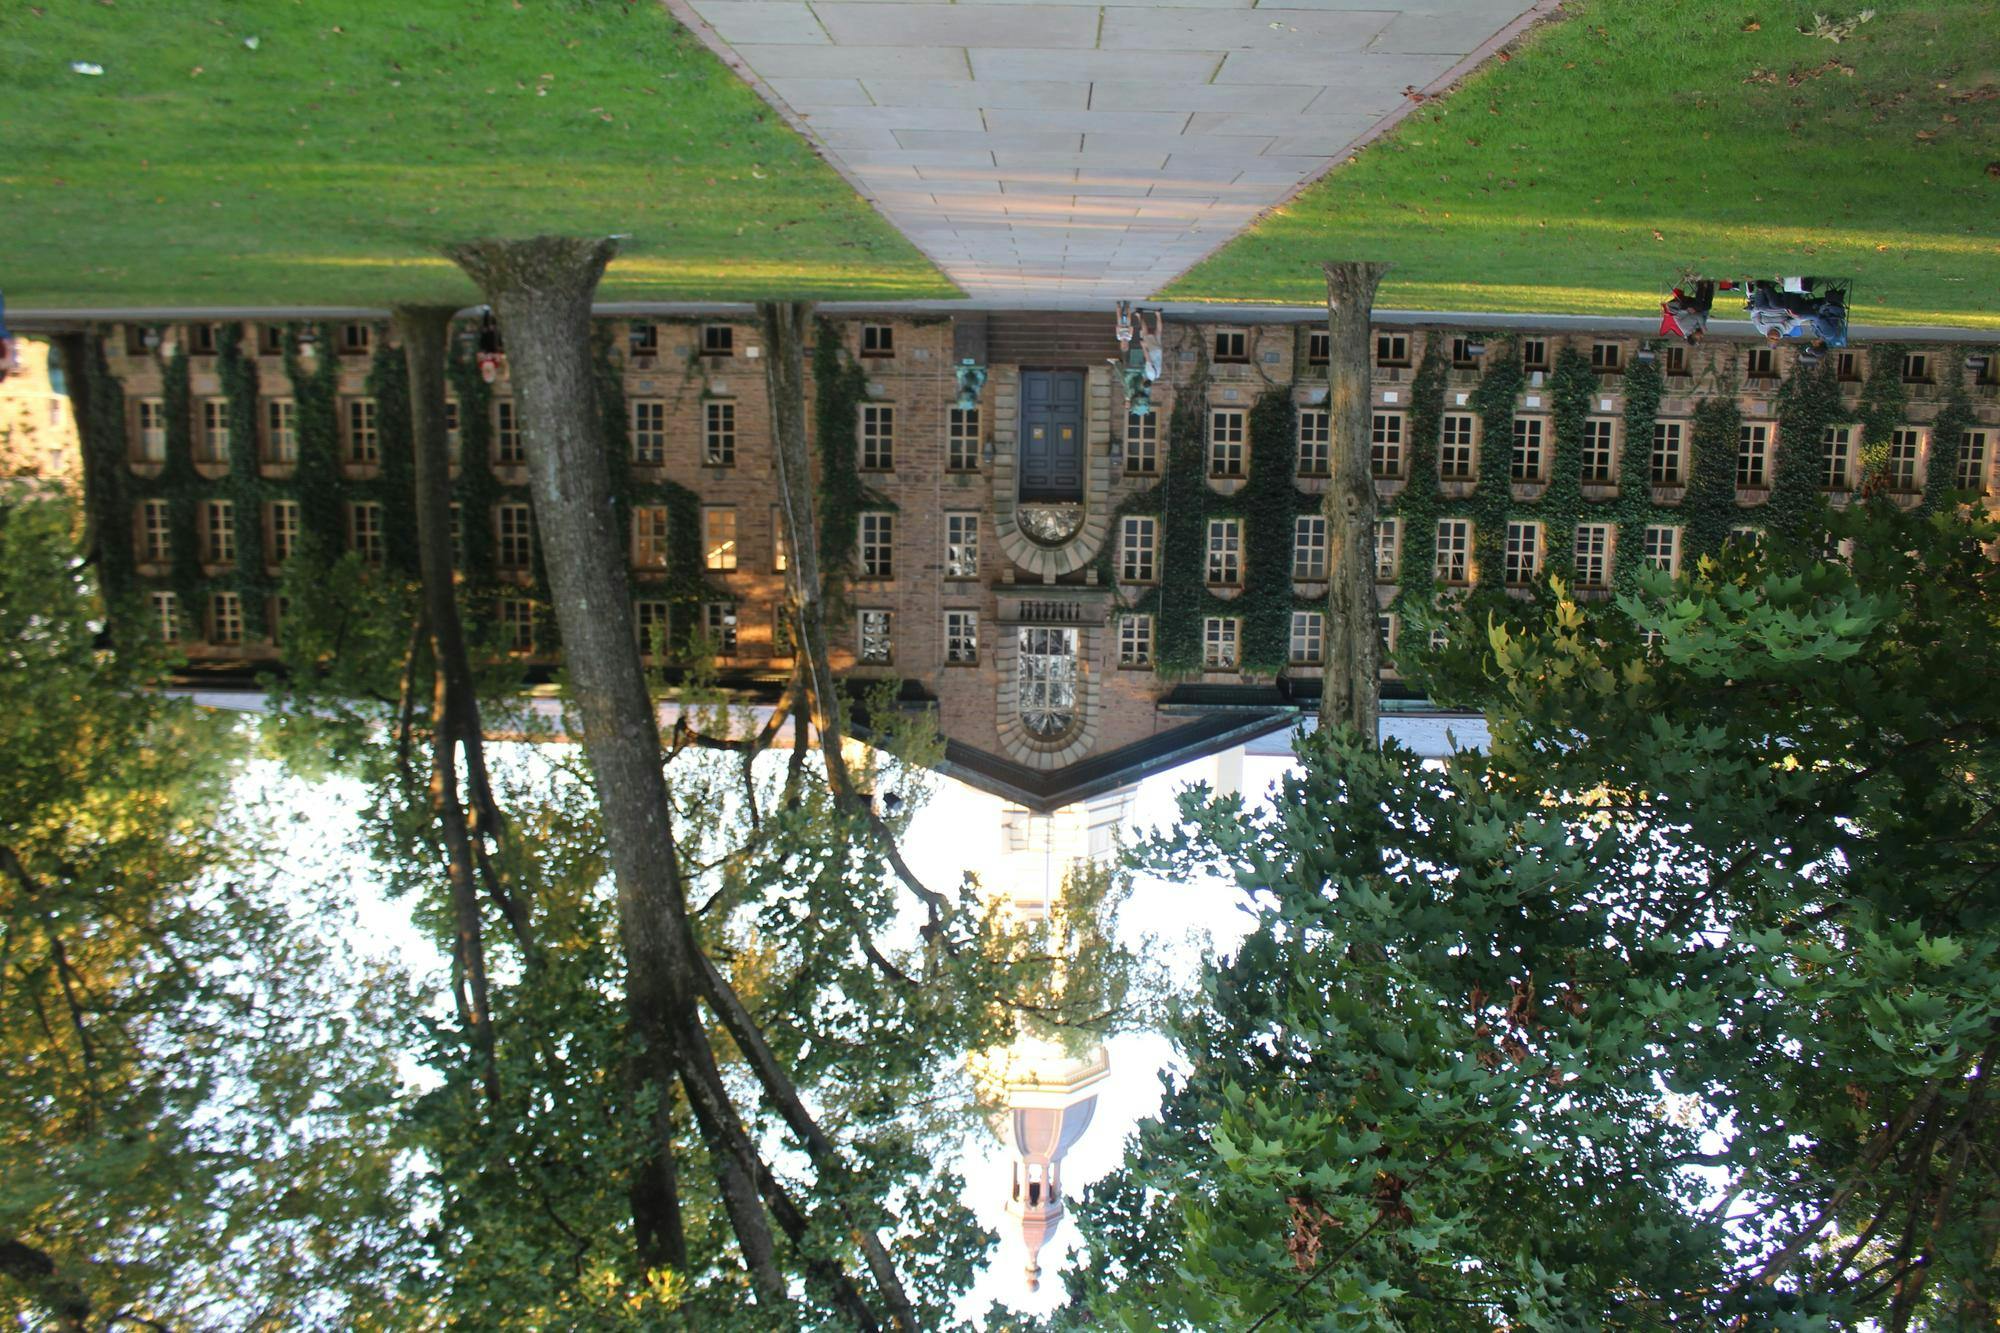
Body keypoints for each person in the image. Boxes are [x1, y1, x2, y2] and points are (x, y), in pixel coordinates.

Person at [1660, 279, 1718, 343]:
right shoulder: (1695, 330)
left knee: (1699, 306)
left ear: (1693, 336)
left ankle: (1700, 282)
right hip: (1688, 307)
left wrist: (1702, 326)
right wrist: (1706, 315)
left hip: (1679, 305)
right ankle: (1710, 283)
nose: (1702, 336)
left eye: (1700, 338)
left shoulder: (1686, 328)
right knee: (1707, 306)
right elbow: (1701, 314)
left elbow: (1697, 316)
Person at [1136, 307, 1164, 383]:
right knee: (1145, 334)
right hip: (1152, 351)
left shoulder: (1157, 376)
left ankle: (1158, 314)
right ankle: (1139, 315)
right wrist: (1144, 347)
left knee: (1158, 333)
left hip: (1159, 352)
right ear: (1144, 380)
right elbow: (1148, 359)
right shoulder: (1149, 373)